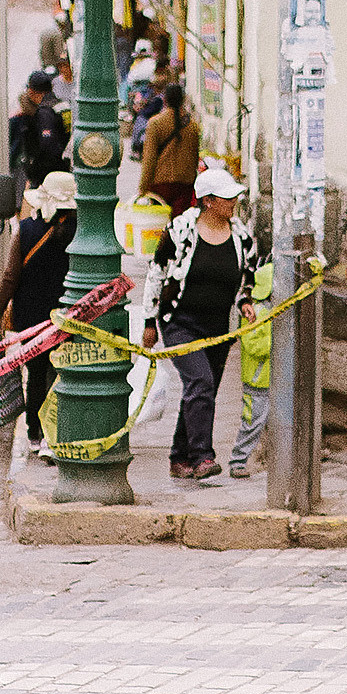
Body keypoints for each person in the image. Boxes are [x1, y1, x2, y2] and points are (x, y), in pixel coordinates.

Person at [143, 164, 256, 483]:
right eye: (226, 198)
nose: (233, 203)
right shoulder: (179, 230)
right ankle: (203, 456)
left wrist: (245, 301)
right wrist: (150, 322)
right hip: (179, 322)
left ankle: (180, 458)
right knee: (201, 383)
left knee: (201, 389)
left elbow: (248, 273)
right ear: (207, 201)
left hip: (220, 326)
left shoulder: (242, 237)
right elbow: (156, 274)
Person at [0, 169, 75, 459]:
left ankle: (35, 433)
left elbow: (10, 275)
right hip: (69, 317)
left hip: (32, 318)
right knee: (61, 374)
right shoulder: (80, 233)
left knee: (37, 376)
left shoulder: (26, 230)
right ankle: (57, 434)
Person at [231, 259, 275, 479]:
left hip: (272, 378)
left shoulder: (271, 310)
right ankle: (238, 460)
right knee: (252, 422)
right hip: (257, 380)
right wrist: (278, 340)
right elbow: (254, 346)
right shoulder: (254, 312)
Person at [139, 79, 200, 212]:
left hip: (160, 185)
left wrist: (142, 188)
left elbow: (149, 159)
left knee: (160, 227)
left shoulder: (155, 123)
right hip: (185, 185)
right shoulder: (193, 125)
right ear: (183, 100)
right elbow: (194, 157)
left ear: (165, 100)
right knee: (179, 227)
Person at [8, 69, 68, 192]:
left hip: (46, 178)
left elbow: (47, 147)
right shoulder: (61, 108)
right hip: (61, 173)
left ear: (33, 92)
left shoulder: (44, 114)